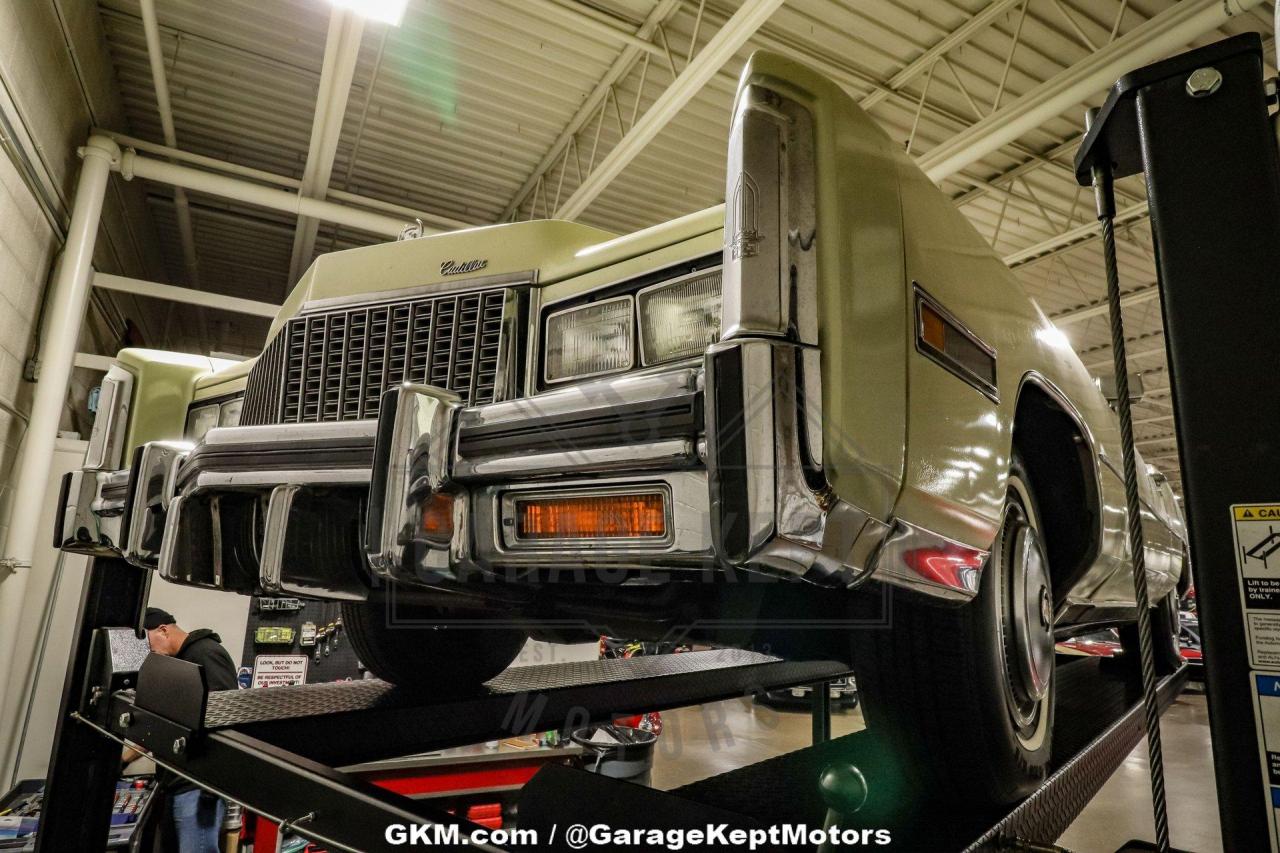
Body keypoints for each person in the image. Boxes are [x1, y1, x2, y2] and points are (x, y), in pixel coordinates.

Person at [122, 607, 238, 852]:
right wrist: (125, 758)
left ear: (163, 630)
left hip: (197, 785)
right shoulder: (176, 665)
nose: (148, 653)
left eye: (148, 643)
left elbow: (224, 715)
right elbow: (167, 723)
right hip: (175, 782)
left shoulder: (206, 653)